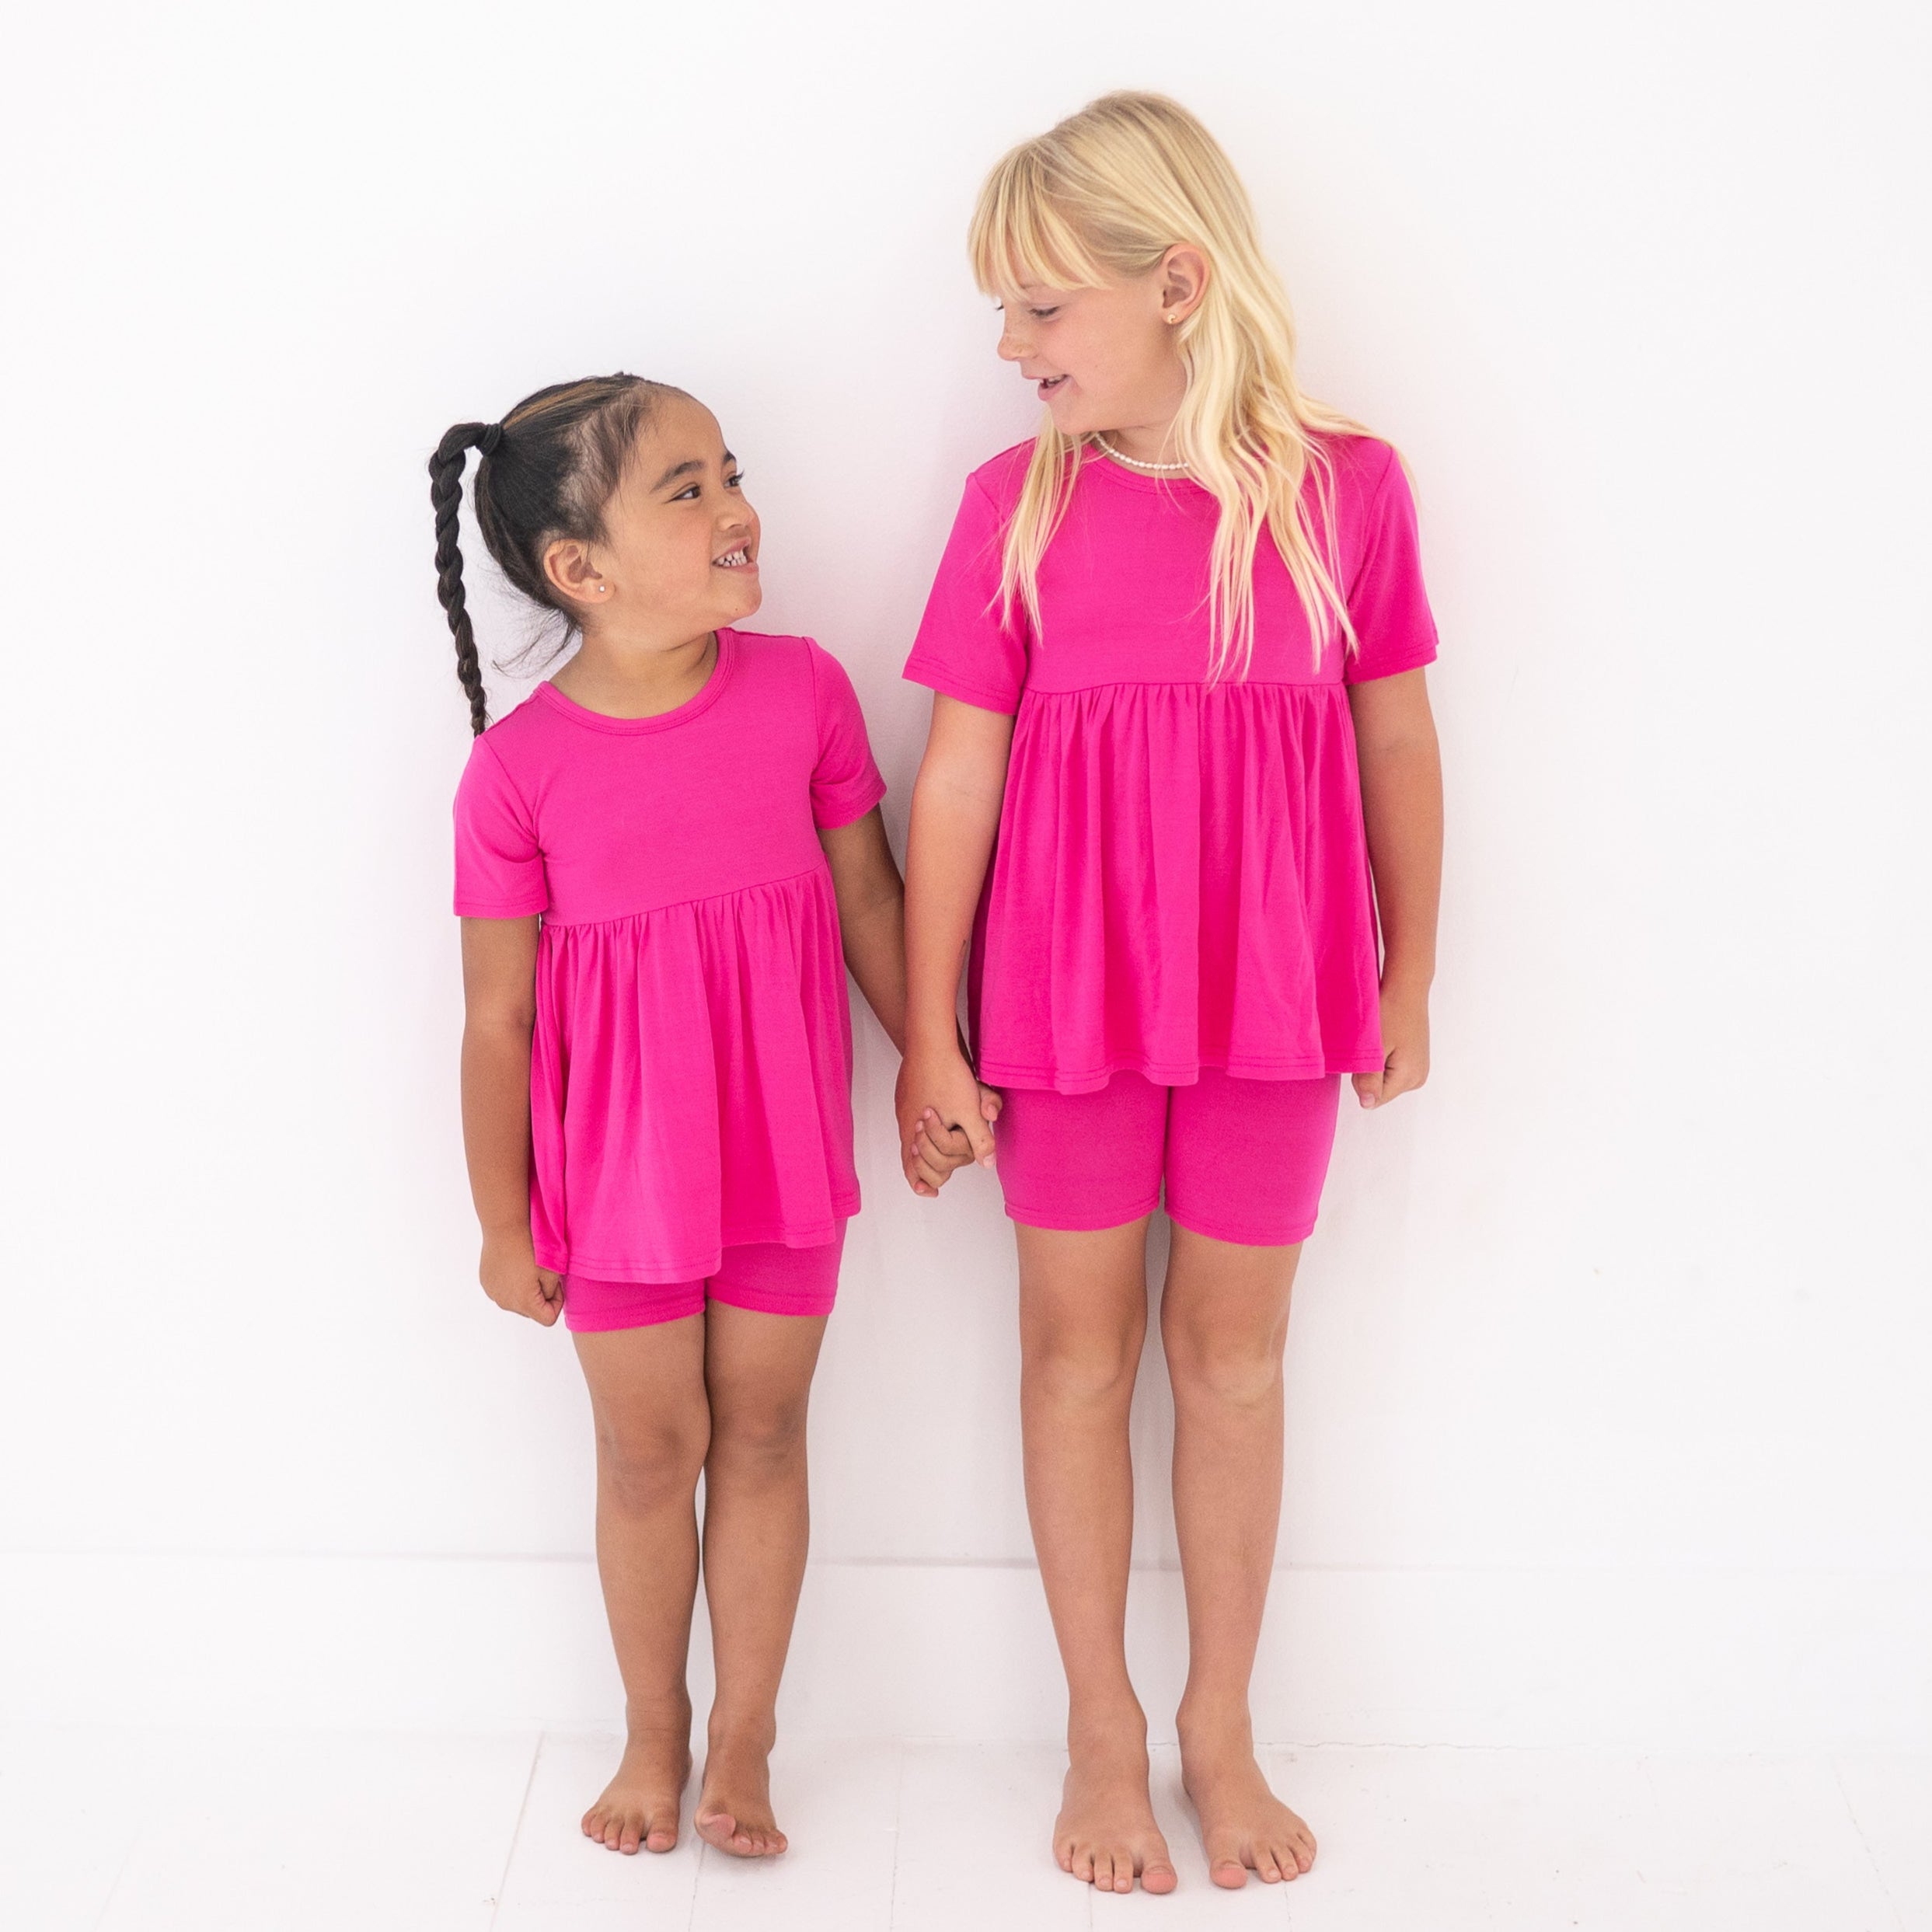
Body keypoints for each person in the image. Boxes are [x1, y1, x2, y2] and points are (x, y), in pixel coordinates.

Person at [898, 94, 1445, 1894]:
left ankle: (1219, 1718)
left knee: (1230, 1353)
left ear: (1179, 283)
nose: (1009, 345)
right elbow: (956, 776)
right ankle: (1101, 1727)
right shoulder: (1014, 504)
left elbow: (1392, 730)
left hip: (1280, 1000)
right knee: (1074, 1354)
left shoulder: (1345, 487)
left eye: (1040, 307)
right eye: (1005, 311)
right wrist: (930, 1031)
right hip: (1060, 999)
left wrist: (1411, 966)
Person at [431, 375, 982, 1860]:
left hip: (778, 1148)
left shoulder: (801, 691)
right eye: (686, 489)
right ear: (579, 571)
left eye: (728, 472)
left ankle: (744, 1732)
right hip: (610, 1176)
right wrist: (499, 1218)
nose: (737, 507)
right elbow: (497, 1017)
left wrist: (931, 1058)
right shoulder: (517, 770)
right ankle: (653, 1728)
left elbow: (871, 895)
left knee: (763, 1430)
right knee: (641, 1452)